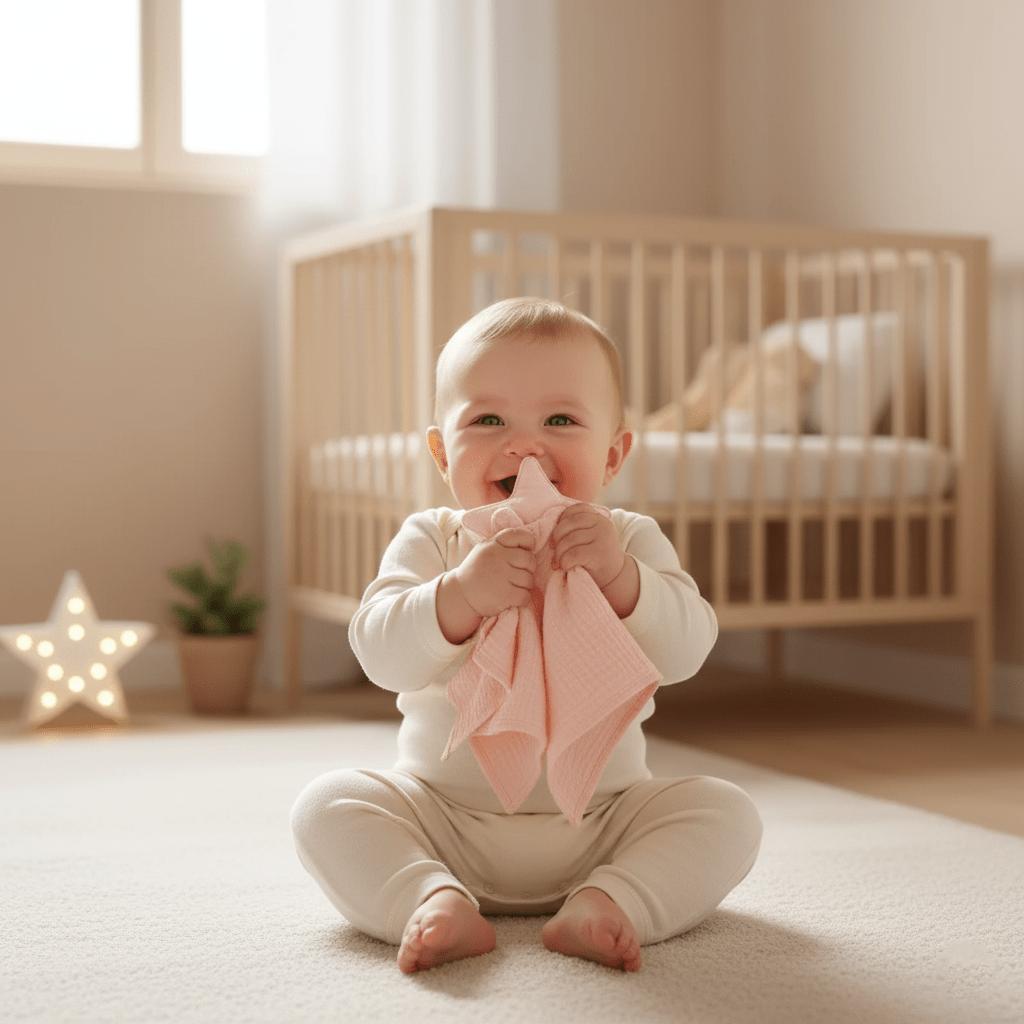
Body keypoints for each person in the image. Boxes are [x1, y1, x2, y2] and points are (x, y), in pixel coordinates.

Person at [290, 297, 762, 974]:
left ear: (614, 453)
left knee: (727, 812)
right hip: (443, 817)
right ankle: (429, 898)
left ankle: (612, 900)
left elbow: (688, 649)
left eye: (561, 420)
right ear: (440, 451)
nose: (524, 444)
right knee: (326, 805)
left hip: (603, 821)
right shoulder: (437, 537)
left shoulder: (626, 539)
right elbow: (380, 652)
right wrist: (459, 596)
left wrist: (620, 578)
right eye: (487, 420)